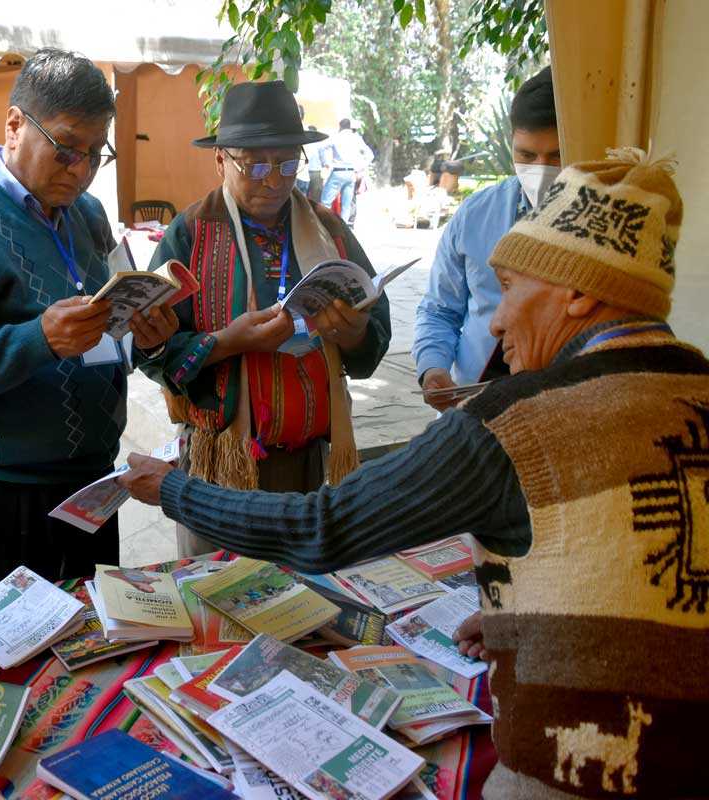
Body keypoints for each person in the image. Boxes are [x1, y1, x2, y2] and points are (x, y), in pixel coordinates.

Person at [120, 150, 708, 798]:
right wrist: (538, 614)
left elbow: (323, 528)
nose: (495, 320)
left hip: (584, 771)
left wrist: (171, 489)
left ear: (577, 294)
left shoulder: (515, 424)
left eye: (511, 287)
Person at [0, 49, 178, 594]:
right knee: (20, 664)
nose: (81, 171)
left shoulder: (88, 212)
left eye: (97, 154)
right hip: (8, 494)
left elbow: (110, 324)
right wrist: (38, 340)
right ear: (13, 124)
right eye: (66, 150)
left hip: (95, 485)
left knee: (97, 645)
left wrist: (146, 337)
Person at [140, 80, 390, 558]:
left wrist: (356, 333)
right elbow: (152, 351)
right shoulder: (190, 233)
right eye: (254, 164)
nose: (273, 179)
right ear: (220, 161)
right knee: (223, 603)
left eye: (287, 163)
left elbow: (374, 329)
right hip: (223, 467)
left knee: (310, 603)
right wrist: (227, 343)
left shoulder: (329, 228)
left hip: (313, 464)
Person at [413, 67, 561, 409]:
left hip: (558, 411)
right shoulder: (475, 215)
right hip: (473, 407)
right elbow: (439, 309)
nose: (540, 169)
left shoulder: (599, 223)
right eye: (526, 156)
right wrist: (433, 367)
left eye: (555, 156)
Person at [319, 118, 373, 225]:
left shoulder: (336, 137)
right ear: (349, 126)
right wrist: (358, 168)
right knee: (346, 205)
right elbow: (370, 155)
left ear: (340, 126)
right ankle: (344, 230)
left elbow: (321, 148)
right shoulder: (356, 138)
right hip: (351, 173)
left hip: (338, 171)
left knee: (326, 202)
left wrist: (326, 162)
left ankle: (324, 226)